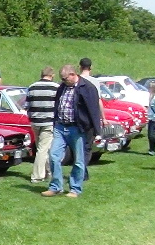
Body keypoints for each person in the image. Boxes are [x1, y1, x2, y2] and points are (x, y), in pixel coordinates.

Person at [42, 64, 101, 198]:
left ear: (73, 74)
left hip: (77, 129)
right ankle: (56, 187)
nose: (63, 81)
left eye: (65, 78)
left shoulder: (87, 88)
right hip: (60, 127)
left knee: (79, 161)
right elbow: (57, 104)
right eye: (62, 79)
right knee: (54, 156)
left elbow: (94, 110)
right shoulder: (62, 87)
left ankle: (75, 189)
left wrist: (96, 131)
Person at [27, 66, 59, 183]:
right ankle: (37, 176)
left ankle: (48, 172)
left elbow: (27, 105)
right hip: (48, 122)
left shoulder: (32, 87)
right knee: (43, 149)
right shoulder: (56, 87)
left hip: (35, 122)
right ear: (52, 75)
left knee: (42, 148)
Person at [77, 57, 104, 180]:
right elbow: (98, 101)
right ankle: (83, 171)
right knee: (87, 147)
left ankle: (82, 171)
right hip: (90, 118)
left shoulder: (77, 80)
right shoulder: (95, 82)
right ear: (91, 67)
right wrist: (103, 117)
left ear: (80, 67)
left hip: (78, 118)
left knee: (79, 146)